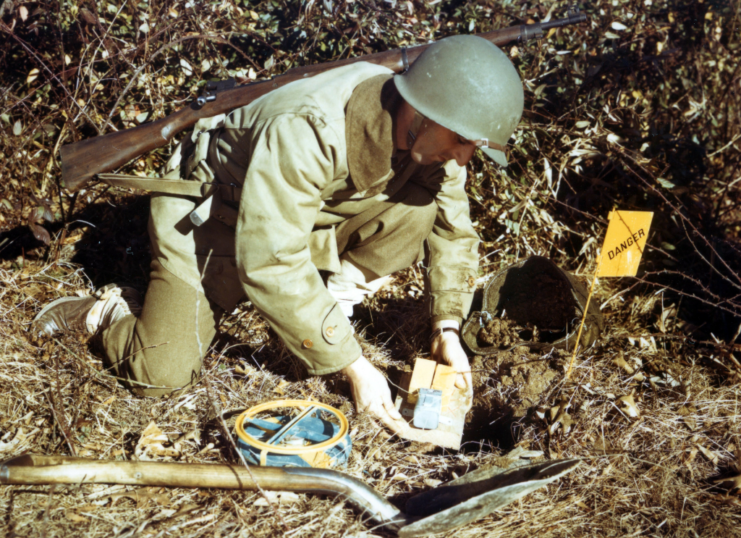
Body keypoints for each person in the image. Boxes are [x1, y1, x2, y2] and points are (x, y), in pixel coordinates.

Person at [33, 35, 524, 433]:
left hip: (293, 218)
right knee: (159, 373)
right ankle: (108, 312)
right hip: (212, 225)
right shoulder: (309, 128)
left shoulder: (433, 138)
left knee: (417, 211)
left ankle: (327, 307)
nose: (463, 158)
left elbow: (452, 230)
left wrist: (448, 329)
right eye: (462, 142)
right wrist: (353, 364)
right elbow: (269, 257)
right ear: (422, 112)